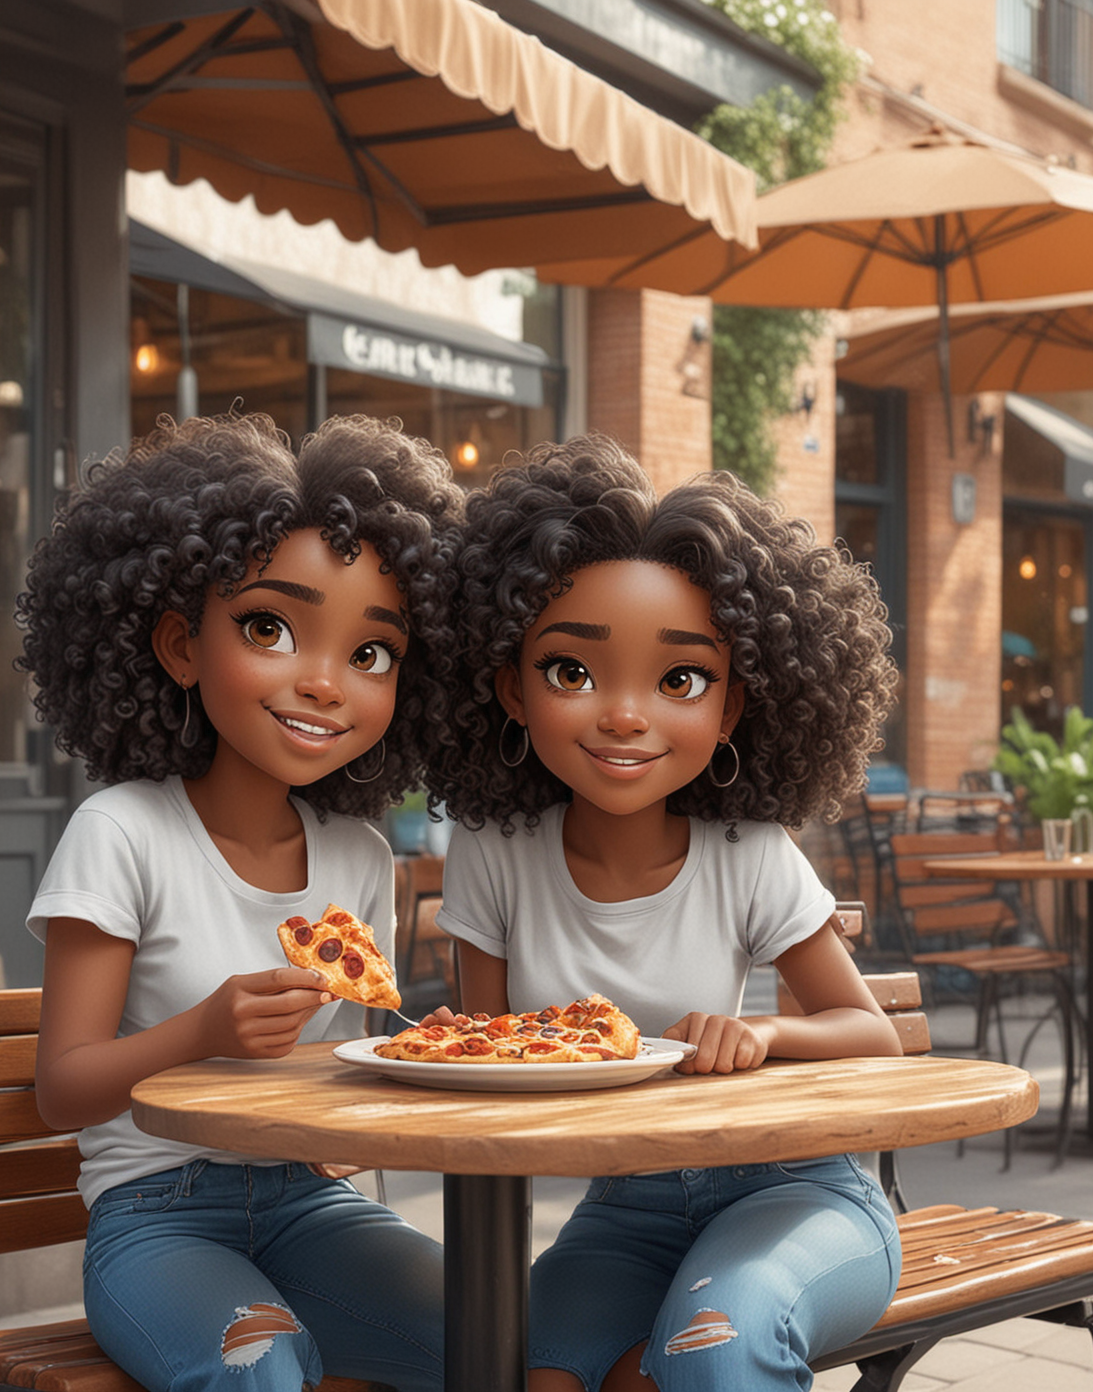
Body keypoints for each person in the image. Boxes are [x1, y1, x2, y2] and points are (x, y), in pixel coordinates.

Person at [424, 437, 904, 1392]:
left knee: (713, 1351)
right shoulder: (494, 849)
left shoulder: (751, 853)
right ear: (511, 686)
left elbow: (871, 1037)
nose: (625, 717)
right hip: (627, 1209)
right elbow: (493, 1047)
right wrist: (456, 1044)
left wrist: (760, 1032)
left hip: (797, 1188)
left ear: (730, 710)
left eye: (680, 680)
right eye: (573, 672)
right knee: (531, 1375)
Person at [19, 413, 460, 1392]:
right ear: (180, 645)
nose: (323, 682)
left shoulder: (358, 855)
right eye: (270, 627)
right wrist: (204, 1029)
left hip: (314, 1200)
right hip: (154, 1210)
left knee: (498, 1333)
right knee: (261, 1365)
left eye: (372, 654)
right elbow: (63, 1090)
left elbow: (347, 1065)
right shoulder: (122, 833)